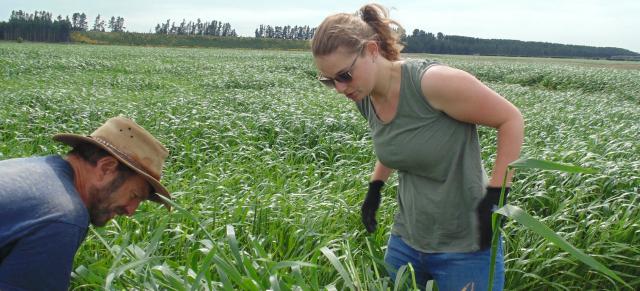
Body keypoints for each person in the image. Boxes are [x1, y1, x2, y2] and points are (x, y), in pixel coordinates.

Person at [311, 4, 524, 290]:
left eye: (344, 75)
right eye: (329, 80)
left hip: (467, 243)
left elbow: (510, 119)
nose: (339, 88)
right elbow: (397, 139)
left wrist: (495, 197)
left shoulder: (433, 83)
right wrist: (375, 188)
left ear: (372, 51)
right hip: (407, 240)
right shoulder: (364, 96)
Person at [0, 116, 173, 291]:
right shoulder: (64, 215)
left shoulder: (34, 168)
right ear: (106, 168)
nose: (131, 210)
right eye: (134, 195)